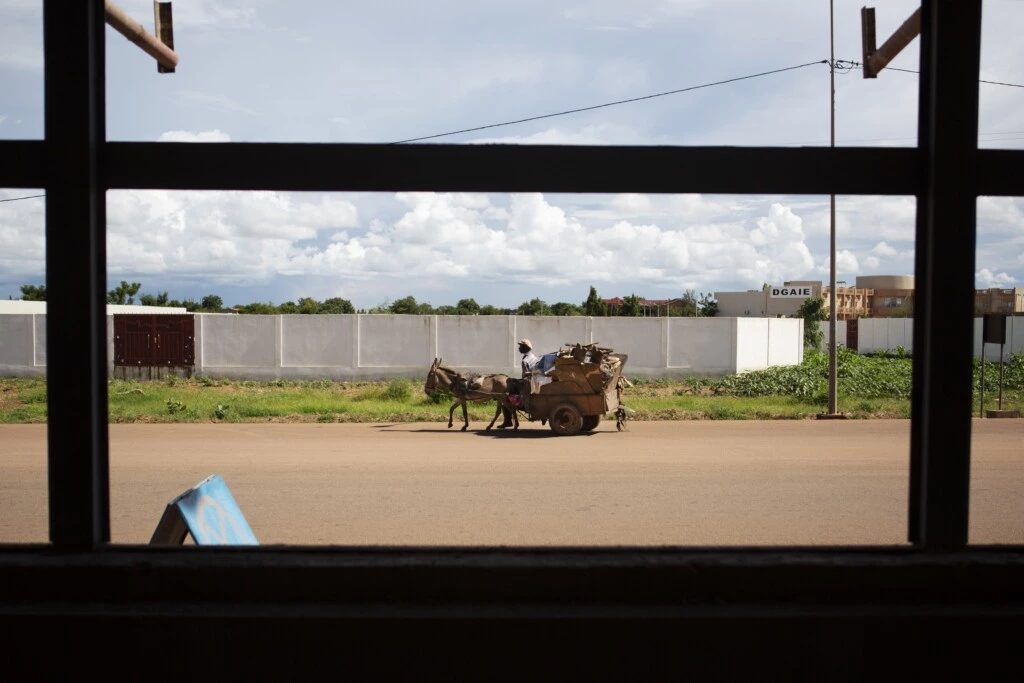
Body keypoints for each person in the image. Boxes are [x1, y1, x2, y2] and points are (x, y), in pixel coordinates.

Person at [497, 338, 537, 429]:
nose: (519, 348)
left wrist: (517, 381)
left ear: (525, 348)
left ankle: (508, 420)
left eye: (521, 346)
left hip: (528, 385)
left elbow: (526, 377)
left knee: (507, 397)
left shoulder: (525, 360)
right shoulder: (533, 356)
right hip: (534, 381)